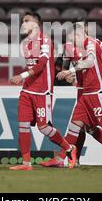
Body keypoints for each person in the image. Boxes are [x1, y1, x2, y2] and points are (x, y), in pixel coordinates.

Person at [41, 22, 102, 168]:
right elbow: (65, 69)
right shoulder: (68, 48)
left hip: (97, 89)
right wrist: (68, 76)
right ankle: (72, 159)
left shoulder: (94, 43)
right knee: (81, 126)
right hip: (82, 90)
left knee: (96, 126)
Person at [9, 12, 77, 171]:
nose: (23, 23)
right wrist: (24, 76)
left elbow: (41, 64)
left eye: (27, 20)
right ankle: (26, 164)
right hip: (27, 89)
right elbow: (31, 65)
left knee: (44, 128)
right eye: (23, 21)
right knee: (23, 125)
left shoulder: (45, 40)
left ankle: (69, 149)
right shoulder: (26, 42)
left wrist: (22, 75)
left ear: (36, 23)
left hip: (42, 90)